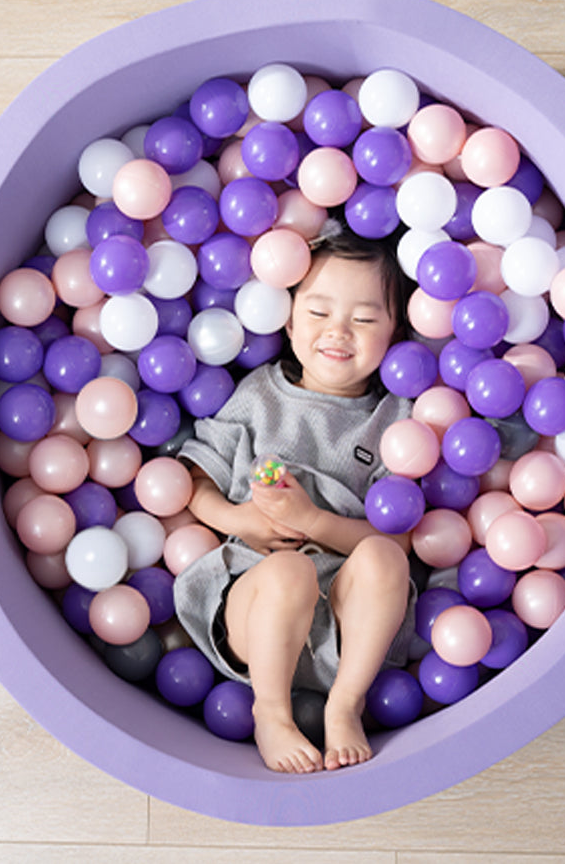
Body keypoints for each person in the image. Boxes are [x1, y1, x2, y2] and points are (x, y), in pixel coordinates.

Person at [174, 223, 417, 774]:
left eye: (364, 319)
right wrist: (238, 518)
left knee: (384, 557)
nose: (338, 332)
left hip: (350, 634)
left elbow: (399, 542)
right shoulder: (260, 394)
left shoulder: (395, 420)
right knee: (289, 571)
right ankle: (272, 713)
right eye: (319, 312)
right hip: (259, 611)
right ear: (287, 320)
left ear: (395, 331)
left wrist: (312, 520)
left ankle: (345, 705)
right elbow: (195, 478)